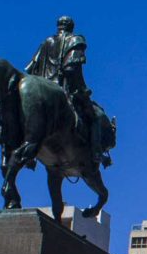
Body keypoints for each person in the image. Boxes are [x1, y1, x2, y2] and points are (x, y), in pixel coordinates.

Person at [26, 16, 108, 168]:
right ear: (71, 27)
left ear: (59, 26)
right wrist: (83, 90)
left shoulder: (46, 42)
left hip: (42, 91)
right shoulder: (75, 40)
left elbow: (29, 69)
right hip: (64, 91)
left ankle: (28, 154)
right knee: (96, 116)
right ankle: (97, 153)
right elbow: (71, 69)